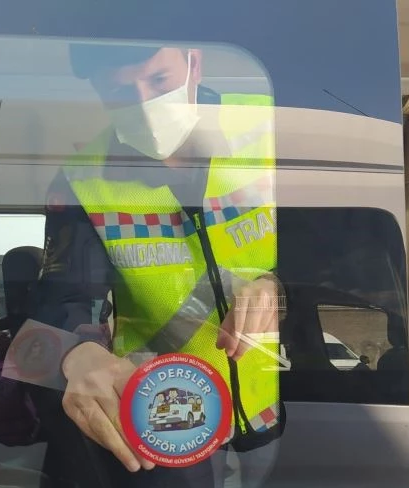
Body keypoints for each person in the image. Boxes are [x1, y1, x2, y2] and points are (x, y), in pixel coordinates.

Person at [25, 43, 285, 488]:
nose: (144, 105)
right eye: (119, 92)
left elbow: (334, 251)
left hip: (274, 402)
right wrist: (74, 352)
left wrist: (277, 287)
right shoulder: (82, 178)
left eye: (159, 81)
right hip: (168, 412)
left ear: (194, 64)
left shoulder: (269, 128)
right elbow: (60, 297)